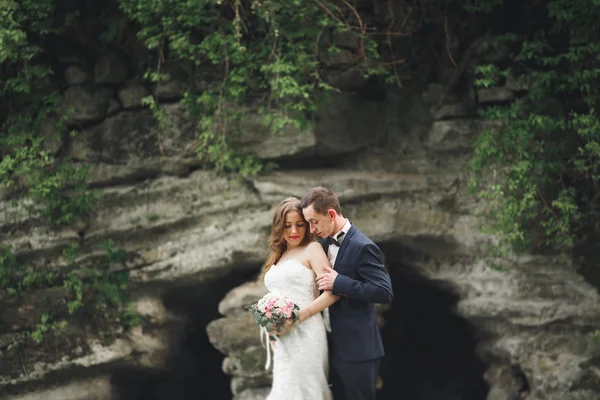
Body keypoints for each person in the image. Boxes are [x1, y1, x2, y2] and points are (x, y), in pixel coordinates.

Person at [301, 187, 393, 400]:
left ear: (331, 214)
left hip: (358, 350)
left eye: (314, 221)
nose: (311, 229)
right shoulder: (323, 244)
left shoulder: (364, 246)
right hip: (330, 347)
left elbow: (383, 292)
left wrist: (340, 282)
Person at [260, 197, 340, 400]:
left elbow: (333, 292)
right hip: (283, 338)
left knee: (305, 390)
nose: (294, 231)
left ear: (307, 226)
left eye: (299, 225)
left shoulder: (313, 249)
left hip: (307, 332)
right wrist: (271, 324)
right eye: (287, 226)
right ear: (279, 227)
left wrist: (297, 318)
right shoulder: (278, 255)